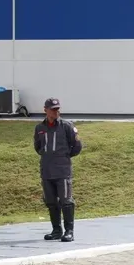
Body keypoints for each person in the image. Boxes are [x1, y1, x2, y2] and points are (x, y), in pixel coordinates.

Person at [34, 98, 82, 242]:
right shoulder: (39, 128)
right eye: (53, 109)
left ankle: (69, 231)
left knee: (66, 200)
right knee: (50, 201)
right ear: (45, 110)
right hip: (47, 170)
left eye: (57, 109)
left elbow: (77, 146)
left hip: (62, 171)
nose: (56, 111)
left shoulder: (67, 126)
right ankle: (56, 230)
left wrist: (64, 157)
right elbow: (37, 147)